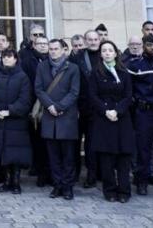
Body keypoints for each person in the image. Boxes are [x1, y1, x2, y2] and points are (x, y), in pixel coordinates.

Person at [88, 41, 134, 203]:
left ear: (115, 53)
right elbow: (93, 96)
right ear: (100, 54)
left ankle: (124, 191)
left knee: (123, 157)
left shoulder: (124, 72)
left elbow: (128, 96)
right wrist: (106, 111)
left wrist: (118, 111)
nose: (107, 53)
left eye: (110, 50)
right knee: (106, 158)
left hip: (122, 118)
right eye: (104, 51)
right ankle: (110, 191)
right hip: (104, 118)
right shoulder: (95, 73)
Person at [35, 39, 80, 200]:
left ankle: (68, 186)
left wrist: (59, 107)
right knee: (52, 155)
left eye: (56, 49)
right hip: (49, 115)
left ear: (63, 50)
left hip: (66, 116)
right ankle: (57, 185)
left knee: (68, 155)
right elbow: (38, 89)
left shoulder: (73, 68)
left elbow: (74, 92)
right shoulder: (42, 66)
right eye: (51, 49)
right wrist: (50, 106)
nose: (53, 51)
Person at [0, 49, 32, 194]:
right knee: (2, 152)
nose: (7, 59)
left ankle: (16, 183)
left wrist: (11, 110)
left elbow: (25, 100)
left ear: (16, 59)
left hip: (16, 122)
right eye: (4, 57)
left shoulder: (22, 77)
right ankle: (6, 181)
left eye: (10, 57)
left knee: (15, 153)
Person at [126, 34, 153, 196]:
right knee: (143, 149)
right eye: (149, 45)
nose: (152, 48)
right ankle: (142, 181)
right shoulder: (135, 65)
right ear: (143, 46)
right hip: (144, 112)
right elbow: (129, 89)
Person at [70, 29, 102, 188]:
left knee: (91, 144)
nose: (93, 41)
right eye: (90, 39)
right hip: (78, 107)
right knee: (75, 142)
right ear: (85, 40)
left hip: (96, 108)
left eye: (95, 39)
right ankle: (74, 173)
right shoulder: (76, 58)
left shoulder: (105, 55)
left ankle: (92, 175)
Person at [22, 35, 50, 186]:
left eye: (45, 43)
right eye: (39, 44)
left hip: (51, 106)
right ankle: (39, 171)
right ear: (34, 45)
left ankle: (48, 172)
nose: (43, 46)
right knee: (37, 141)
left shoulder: (53, 60)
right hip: (35, 107)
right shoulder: (27, 61)